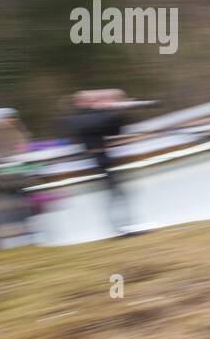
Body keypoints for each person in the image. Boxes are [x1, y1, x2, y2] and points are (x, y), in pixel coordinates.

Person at [62, 89, 157, 235]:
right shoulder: (76, 119)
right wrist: (113, 110)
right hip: (95, 163)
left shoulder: (93, 116)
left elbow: (114, 130)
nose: (93, 103)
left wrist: (122, 112)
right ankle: (119, 227)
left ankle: (126, 225)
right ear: (78, 103)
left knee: (120, 194)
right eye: (89, 100)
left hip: (105, 161)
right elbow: (96, 124)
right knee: (114, 196)